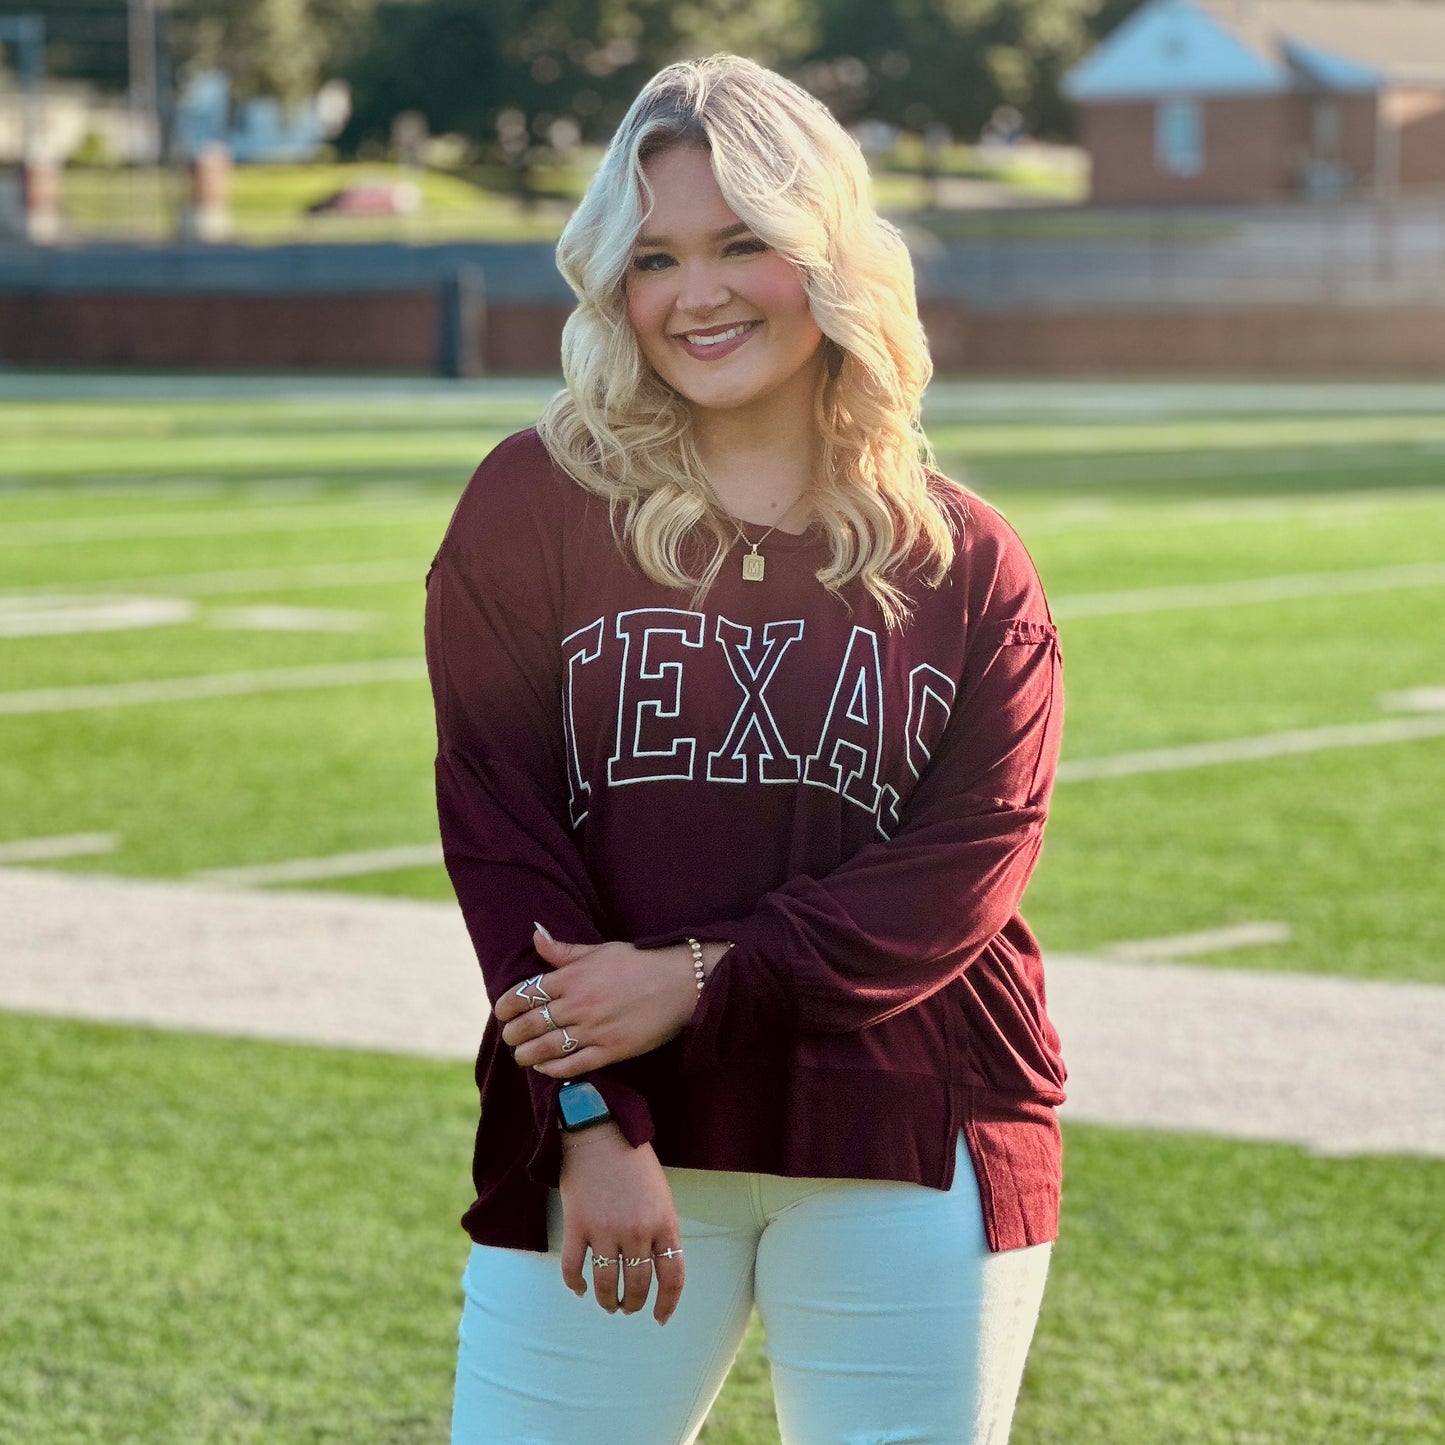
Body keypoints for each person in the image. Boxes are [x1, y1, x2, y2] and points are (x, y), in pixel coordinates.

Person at [425, 53, 1066, 1445]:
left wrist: (702, 978)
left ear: (827, 257)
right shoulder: (531, 502)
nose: (696, 293)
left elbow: (970, 864)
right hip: (619, 1135)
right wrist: (590, 1113)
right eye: (653, 256)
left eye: (743, 244)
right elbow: (498, 825)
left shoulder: (961, 554)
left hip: (906, 1122)